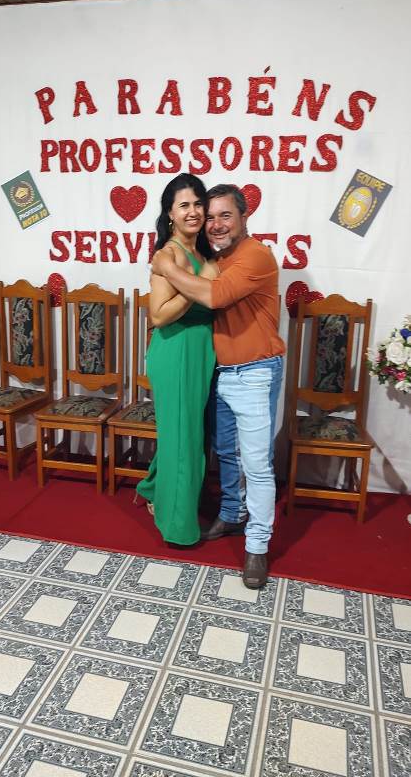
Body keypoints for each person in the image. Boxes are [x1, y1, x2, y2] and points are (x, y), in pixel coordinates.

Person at [151, 184, 285, 588]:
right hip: (221, 371)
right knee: (225, 452)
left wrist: (166, 266)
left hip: (255, 370)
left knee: (256, 464)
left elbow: (214, 296)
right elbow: (165, 312)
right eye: (209, 216)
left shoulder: (255, 255)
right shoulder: (215, 257)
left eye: (225, 215)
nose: (215, 223)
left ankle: (257, 546)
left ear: (244, 217)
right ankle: (231, 514)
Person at [136, 173, 217, 546]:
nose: (193, 211)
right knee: (183, 437)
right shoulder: (168, 255)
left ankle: (156, 490)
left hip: (200, 353)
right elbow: (158, 315)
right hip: (176, 351)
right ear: (169, 213)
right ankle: (177, 524)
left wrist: (203, 278)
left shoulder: (202, 253)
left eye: (198, 203)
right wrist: (198, 287)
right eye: (184, 205)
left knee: (185, 433)